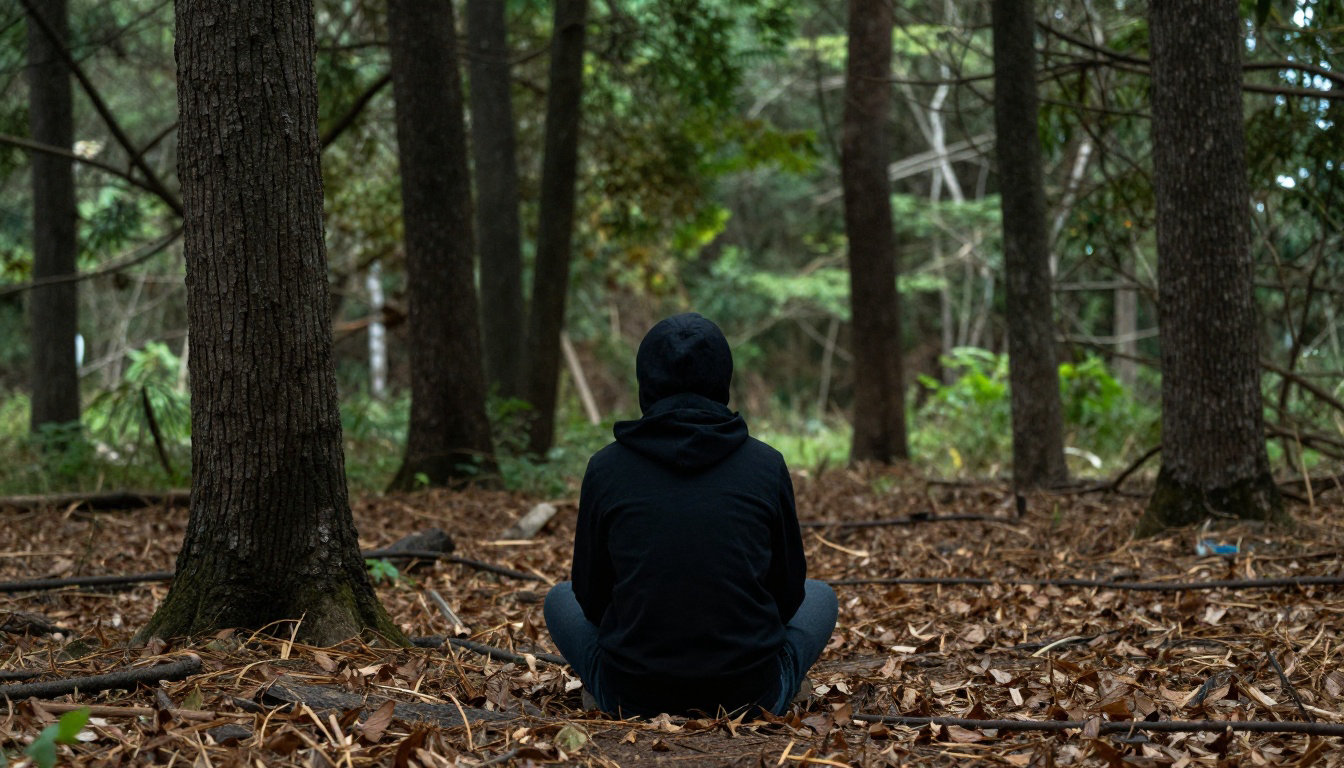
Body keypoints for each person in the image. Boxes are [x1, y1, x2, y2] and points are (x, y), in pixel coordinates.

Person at [544, 312, 838, 717]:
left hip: (631, 695)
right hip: (751, 694)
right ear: (723, 380)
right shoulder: (766, 465)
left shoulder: (605, 469)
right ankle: (779, 686)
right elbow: (788, 592)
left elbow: (590, 596)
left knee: (558, 598)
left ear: (644, 381)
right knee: (822, 595)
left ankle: (611, 689)